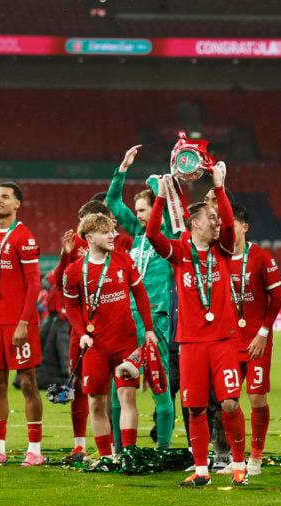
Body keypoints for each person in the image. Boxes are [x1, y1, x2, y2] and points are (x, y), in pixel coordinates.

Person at [146, 162, 250, 487]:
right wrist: (161, 198)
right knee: (194, 409)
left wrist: (219, 187)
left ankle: (238, 465)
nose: (218, 223)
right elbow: (151, 234)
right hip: (190, 344)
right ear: (194, 224)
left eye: (218, 218)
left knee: (230, 402)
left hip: (221, 342)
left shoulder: (223, 249)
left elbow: (230, 223)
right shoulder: (179, 252)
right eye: (211, 219)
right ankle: (202, 470)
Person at [64, 213, 157, 468]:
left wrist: (148, 330)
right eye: (106, 232)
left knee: (127, 397)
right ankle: (106, 457)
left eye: (112, 231)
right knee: (96, 400)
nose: (112, 235)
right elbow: (70, 306)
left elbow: (140, 293)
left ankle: (127, 455)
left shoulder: (123, 261)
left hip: (125, 343)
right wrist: (82, 332)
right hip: (94, 346)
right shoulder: (74, 272)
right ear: (90, 237)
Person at [106, 145, 176, 450]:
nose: (138, 216)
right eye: (137, 213)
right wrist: (123, 168)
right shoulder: (135, 234)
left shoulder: (171, 237)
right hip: (125, 320)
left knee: (161, 388)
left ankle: (162, 451)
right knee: (119, 387)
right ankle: (121, 451)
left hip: (156, 320)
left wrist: (157, 189)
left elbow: (174, 210)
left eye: (143, 211)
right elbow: (111, 201)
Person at [0, 182, 45, 466]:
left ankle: (35, 451)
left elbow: (34, 283)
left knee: (28, 383)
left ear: (17, 204)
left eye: (5, 197)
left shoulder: (25, 237)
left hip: (19, 322)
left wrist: (23, 323)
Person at [223, 205, 281, 476]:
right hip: (228, 343)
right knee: (228, 402)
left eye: (231, 226)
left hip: (257, 342)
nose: (226, 231)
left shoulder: (261, 258)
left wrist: (263, 333)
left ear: (244, 227)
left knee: (257, 399)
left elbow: (277, 298)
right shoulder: (218, 258)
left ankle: (255, 459)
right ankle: (237, 461)